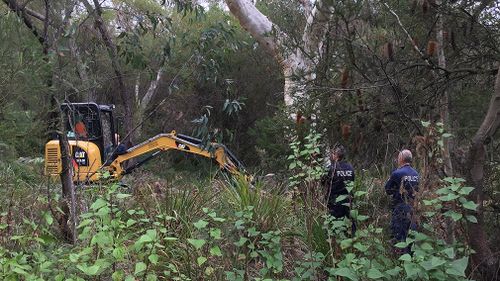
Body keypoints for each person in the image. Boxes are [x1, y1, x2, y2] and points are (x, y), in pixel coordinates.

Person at [384, 149, 420, 254]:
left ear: (401, 159)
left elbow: (388, 190)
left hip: (400, 209)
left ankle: (399, 261)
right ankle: (410, 259)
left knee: (399, 236)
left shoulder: (397, 173)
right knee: (410, 237)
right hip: (413, 209)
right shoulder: (416, 174)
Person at [323, 145, 355, 220]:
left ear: (335, 155)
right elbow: (352, 180)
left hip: (335, 201)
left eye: (333, 154)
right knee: (348, 222)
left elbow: (324, 182)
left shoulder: (331, 168)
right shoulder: (350, 167)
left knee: (335, 223)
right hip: (348, 199)